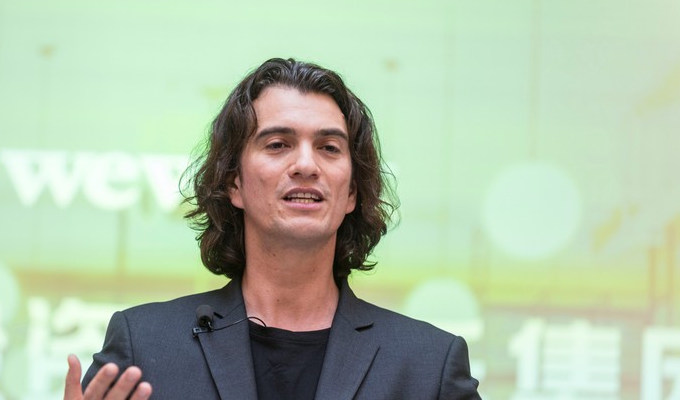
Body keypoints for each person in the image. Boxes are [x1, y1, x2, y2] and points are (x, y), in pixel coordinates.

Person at [64, 58, 481, 399]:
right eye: (278, 144)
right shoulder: (146, 346)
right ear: (234, 183)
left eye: (329, 148)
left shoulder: (429, 366)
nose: (306, 165)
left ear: (352, 191)